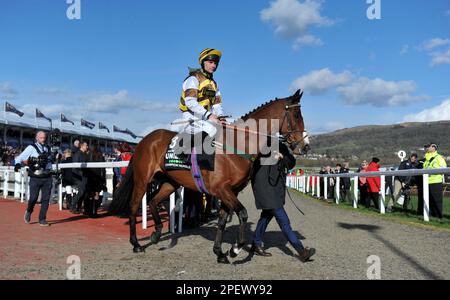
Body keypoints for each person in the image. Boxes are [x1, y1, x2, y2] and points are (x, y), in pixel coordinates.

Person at [250, 142, 315, 262]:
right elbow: (254, 162)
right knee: (284, 221)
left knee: (265, 217)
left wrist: (282, 157)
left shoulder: (281, 145)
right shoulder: (260, 144)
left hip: (276, 191)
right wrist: (271, 158)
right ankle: (301, 251)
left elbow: (291, 163)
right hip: (267, 190)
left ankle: (256, 244)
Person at [176, 48, 227, 156]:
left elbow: (217, 104)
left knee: (228, 128)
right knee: (211, 129)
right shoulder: (193, 79)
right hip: (190, 116)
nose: (214, 65)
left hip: (205, 117)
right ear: (203, 62)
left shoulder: (214, 84)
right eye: (210, 62)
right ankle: (184, 154)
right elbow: (190, 103)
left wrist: (221, 117)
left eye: (216, 63)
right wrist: (209, 115)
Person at [14, 131, 54, 227]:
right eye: (40, 137)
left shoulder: (49, 148)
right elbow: (19, 158)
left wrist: (57, 157)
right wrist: (17, 164)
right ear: (36, 138)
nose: (43, 139)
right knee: (33, 198)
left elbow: (51, 161)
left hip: (47, 176)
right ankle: (29, 210)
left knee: (46, 199)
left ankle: (42, 219)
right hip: (35, 176)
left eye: (44, 137)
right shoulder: (31, 148)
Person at [423, 143, 447, 219]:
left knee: (437, 200)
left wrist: (434, 168)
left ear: (434, 148)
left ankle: (439, 216)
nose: (427, 148)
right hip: (427, 182)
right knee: (429, 200)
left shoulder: (439, 157)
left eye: (428, 147)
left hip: (436, 181)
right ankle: (431, 215)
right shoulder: (426, 158)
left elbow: (444, 168)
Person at [86, 145, 106, 218]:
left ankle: (91, 212)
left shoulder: (89, 156)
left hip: (90, 178)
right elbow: (103, 170)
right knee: (98, 195)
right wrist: (104, 179)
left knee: (91, 195)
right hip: (98, 178)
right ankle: (95, 212)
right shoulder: (101, 157)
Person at [70, 141, 89, 214]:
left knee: (83, 192)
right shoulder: (77, 154)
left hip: (84, 176)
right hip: (78, 176)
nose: (87, 147)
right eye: (86, 145)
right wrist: (80, 174)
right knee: (81, 192)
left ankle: (78, 207)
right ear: (82, 146)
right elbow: (75, 166)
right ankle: (72, 206)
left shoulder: (85, 154)